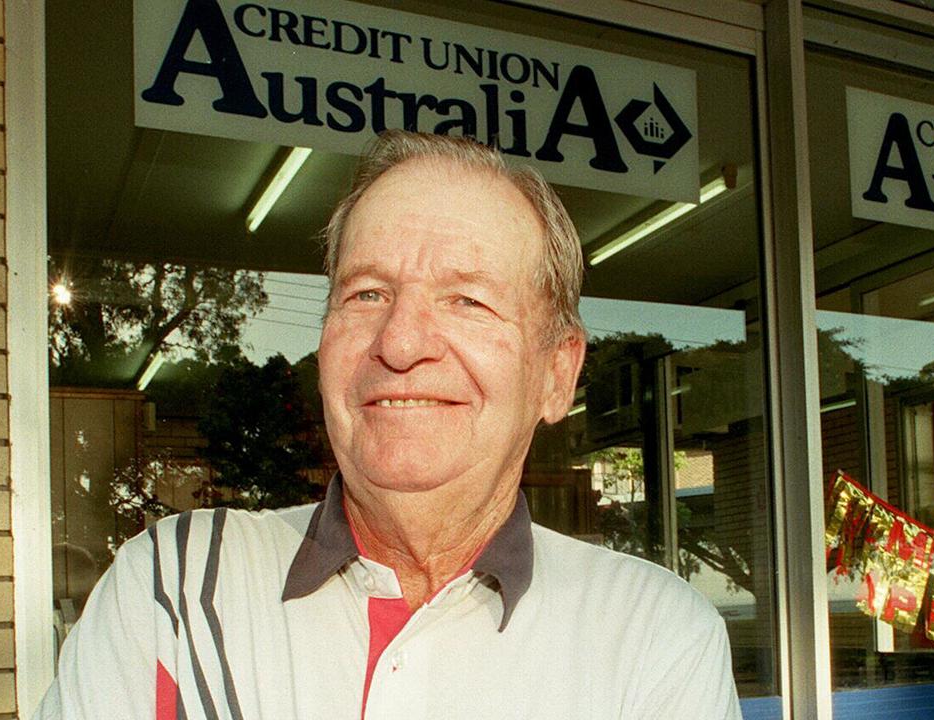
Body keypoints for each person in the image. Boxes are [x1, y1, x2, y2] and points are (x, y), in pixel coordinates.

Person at [38, 132, 743, 719]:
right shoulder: (177, 587)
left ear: (557, 373)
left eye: (466, 300)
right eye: (367, 292)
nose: (401, 342)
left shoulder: (654, 637)